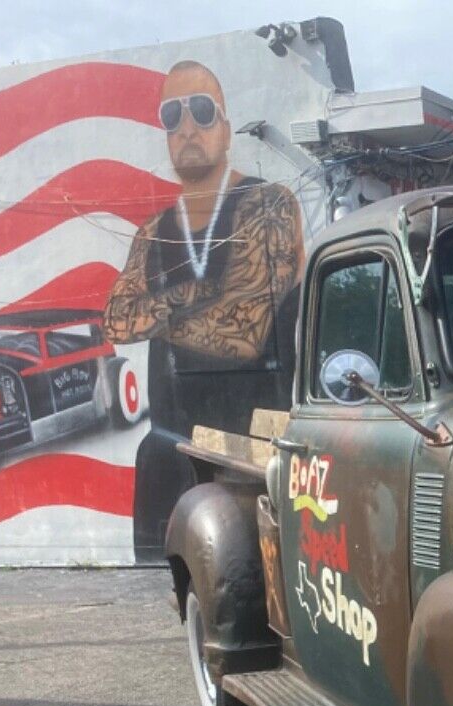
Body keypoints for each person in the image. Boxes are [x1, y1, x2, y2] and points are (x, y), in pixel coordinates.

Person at [104, 60, 304, 558]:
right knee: (159, 587)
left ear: (228, 129)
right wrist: (205, 292)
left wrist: (163, 311)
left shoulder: (269, 205)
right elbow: (116, 319)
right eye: (172, 116)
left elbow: (249, 330)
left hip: (254, 452)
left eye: (201, 110)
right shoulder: (152, 232)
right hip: (170, 456)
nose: (186, 127)